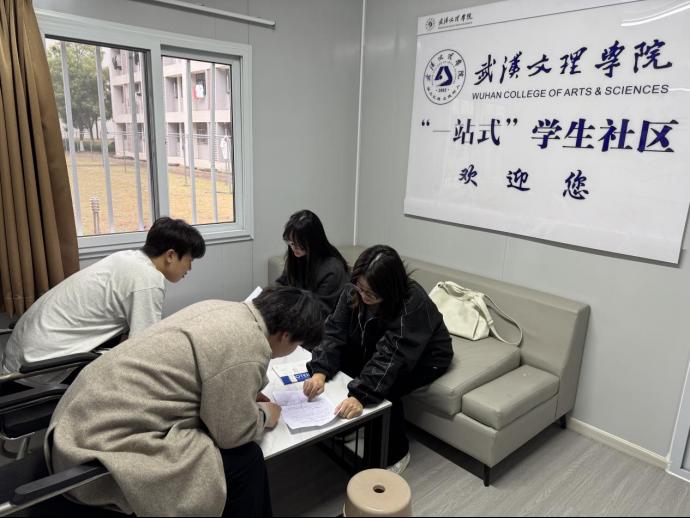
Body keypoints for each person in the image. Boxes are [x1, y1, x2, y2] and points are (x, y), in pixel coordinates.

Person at [46, 287, 324, 517]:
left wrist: (243, 392)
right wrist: (265, 414)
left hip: (77, 415)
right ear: (285, 335)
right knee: (246, 460)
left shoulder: (224, 306)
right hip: (94, 446)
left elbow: (207, 369)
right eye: (296, 345)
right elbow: (232, 434)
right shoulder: (248, 345)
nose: (292, 351)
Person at [0, 216, 205, 387]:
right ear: (171, 256)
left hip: (20, 356)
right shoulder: (148, 280)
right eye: (190, 260)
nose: (190, 268)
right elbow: (143, 350)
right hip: (40, 369)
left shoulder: (126, 258)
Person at [303, 245, 453, 474]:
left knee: (387, 387)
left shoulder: (412, 302)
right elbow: (334, 331)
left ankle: (397, 453)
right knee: (343, 364)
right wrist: (320, 371)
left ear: (390, 289)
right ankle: (346, 424)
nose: (363, 295)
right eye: (361, 288)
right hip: (383, 344)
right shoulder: (353, 290)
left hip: (427, 356)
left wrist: (361, 396)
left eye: (371, 293)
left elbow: (393, 356)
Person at [275, 210, 349, 323]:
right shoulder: (296, 256)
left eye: (299, 244)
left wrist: (288, 304)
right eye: (291, 243)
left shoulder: (332, 269)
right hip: (297, 313)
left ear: (314, 241)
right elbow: (282, 283)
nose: (294, 248)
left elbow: (321, 311)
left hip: (321, 323)